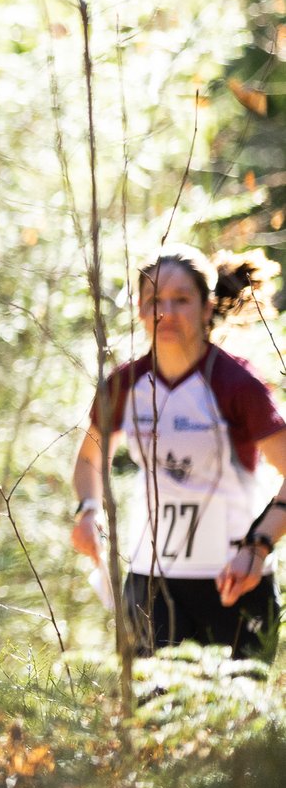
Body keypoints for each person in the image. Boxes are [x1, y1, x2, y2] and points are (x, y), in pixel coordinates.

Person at [71, 247, 286, 657]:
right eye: (153, 300)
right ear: (138, 310)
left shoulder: (236, 384)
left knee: (234, 721)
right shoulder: (124, 385)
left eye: (181, 300)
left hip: (234, 582)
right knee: (150, 719)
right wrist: (87, 509)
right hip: (149, 583)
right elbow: (88, 460)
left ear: (207, 308)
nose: (165, 311)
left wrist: (258, 546)